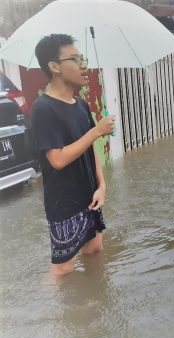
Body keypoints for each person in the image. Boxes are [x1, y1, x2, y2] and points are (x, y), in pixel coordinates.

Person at [31, 34, 115, 277]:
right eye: (75, 59)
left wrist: (102, 185)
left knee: (95, 249)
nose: (83, 65)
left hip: (90, 196)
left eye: (83, 58)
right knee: (63, 270)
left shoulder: (80, 104)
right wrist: (97, 131)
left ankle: (94, 306)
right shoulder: (43, 108)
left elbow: (91, 150)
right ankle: (51, 315)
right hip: (64, 203)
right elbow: (56, 160)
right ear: (54, 66)